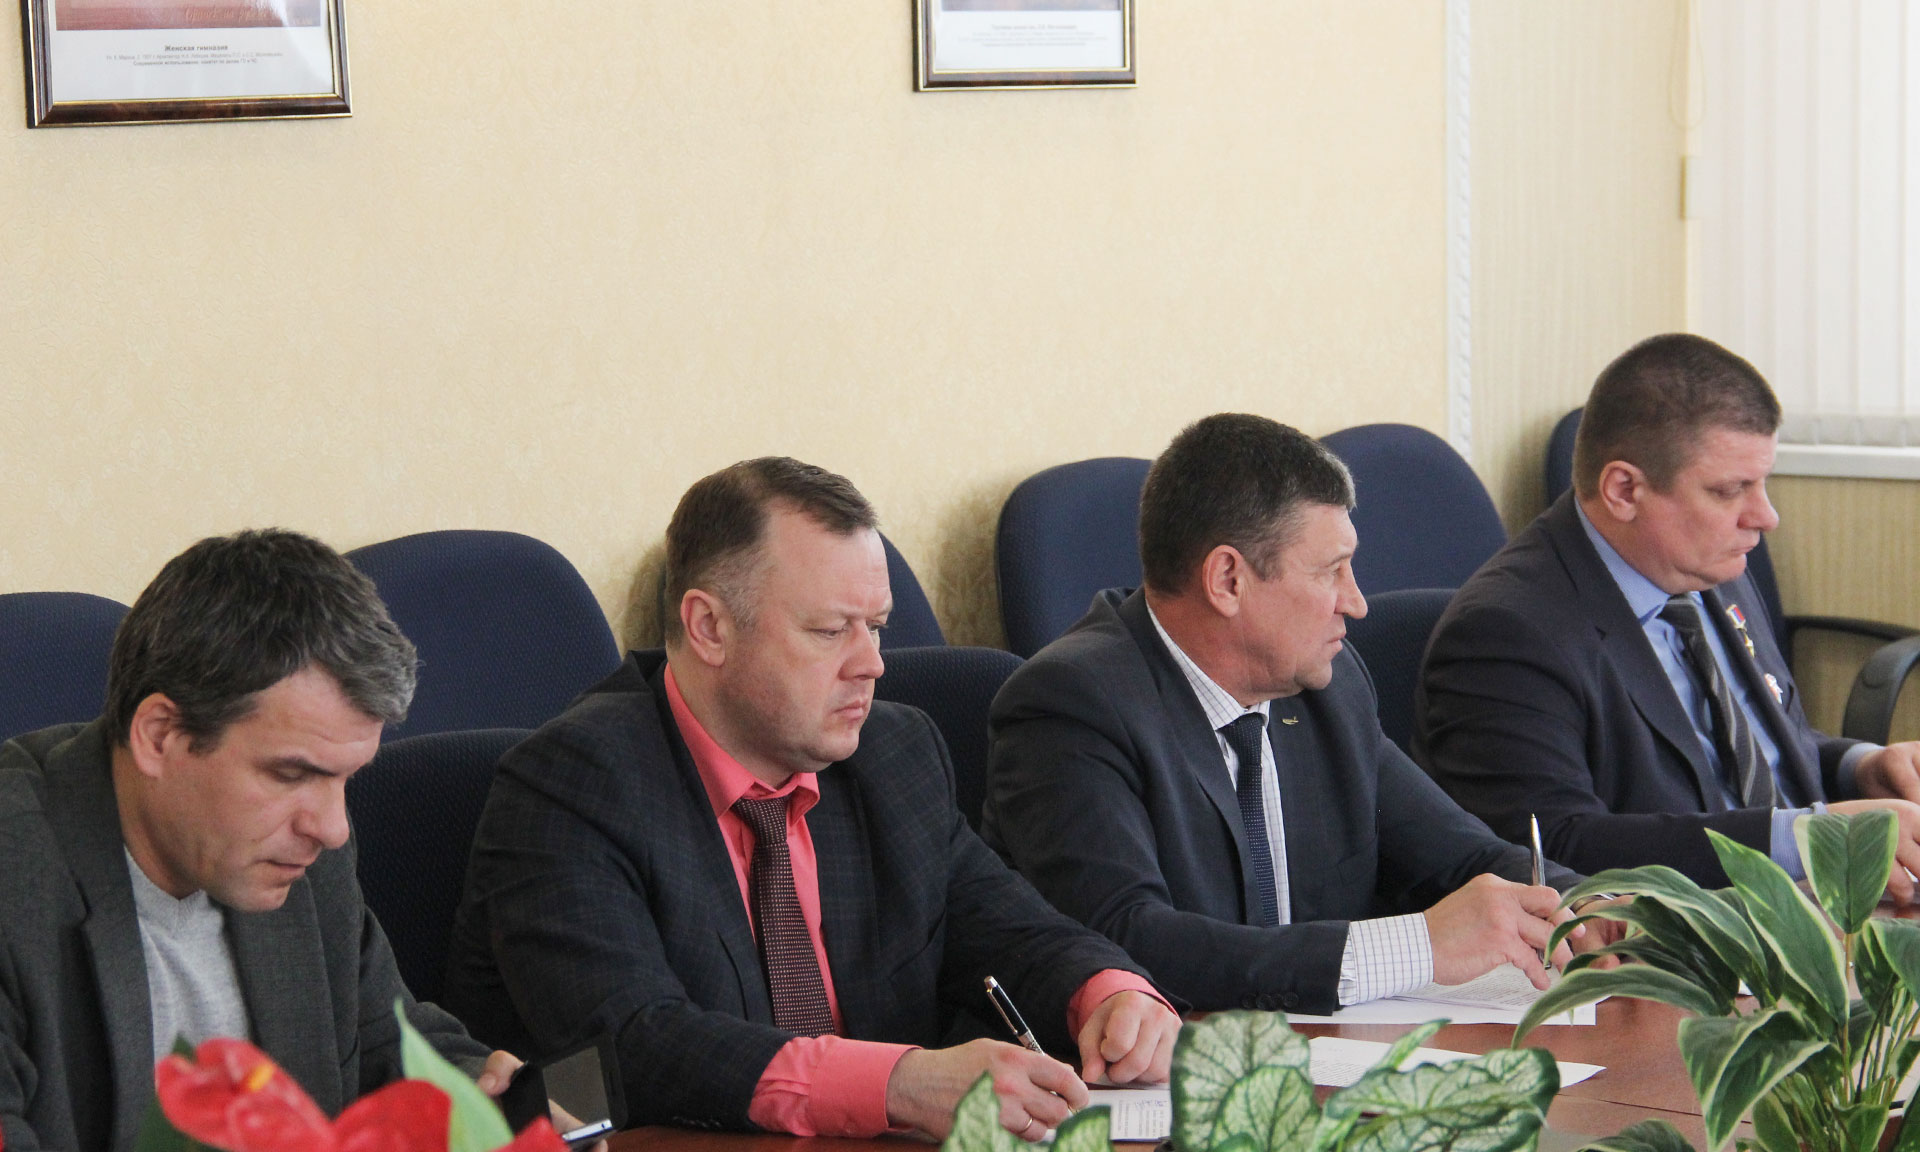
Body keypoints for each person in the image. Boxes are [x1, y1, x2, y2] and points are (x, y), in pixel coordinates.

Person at [442, 458, 1180, 1141]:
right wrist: (897, 1083)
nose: (873, 664)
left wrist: (1108, 992)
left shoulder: (893, 753)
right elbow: (631, 1046)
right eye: (830, 631)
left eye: (877, 627)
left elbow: (1007, 927)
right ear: (709, 627)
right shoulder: (571, 784)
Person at [981, 413, 1591, 1018]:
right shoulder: (1070, 706)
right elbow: (1126, 941)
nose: (1356, 603)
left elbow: (1461, 855)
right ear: (1228, 580)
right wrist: (1419, 947)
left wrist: (1587, 906)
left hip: (1329, 1052)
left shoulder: (1327, 683)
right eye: (1331, 571)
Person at [0, 529, 529, 1152]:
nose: (331, 828)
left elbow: (385, 1038)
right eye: (291, 774)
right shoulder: (17, 882)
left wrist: (488, 1099)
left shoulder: (306, 856)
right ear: (160, 735)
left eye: (346, 779)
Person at [1415, 333, 1920, 890]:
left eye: (1762, 482)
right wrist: (1809, 839)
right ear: (1624, 490)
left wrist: (1860, 766)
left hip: (1813, 898)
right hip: (1683, 927)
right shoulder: (1505, 633)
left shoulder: (1707, 565)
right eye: (1730, 490)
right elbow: (1551, 848)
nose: (1765, 516)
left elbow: (1750, 750)